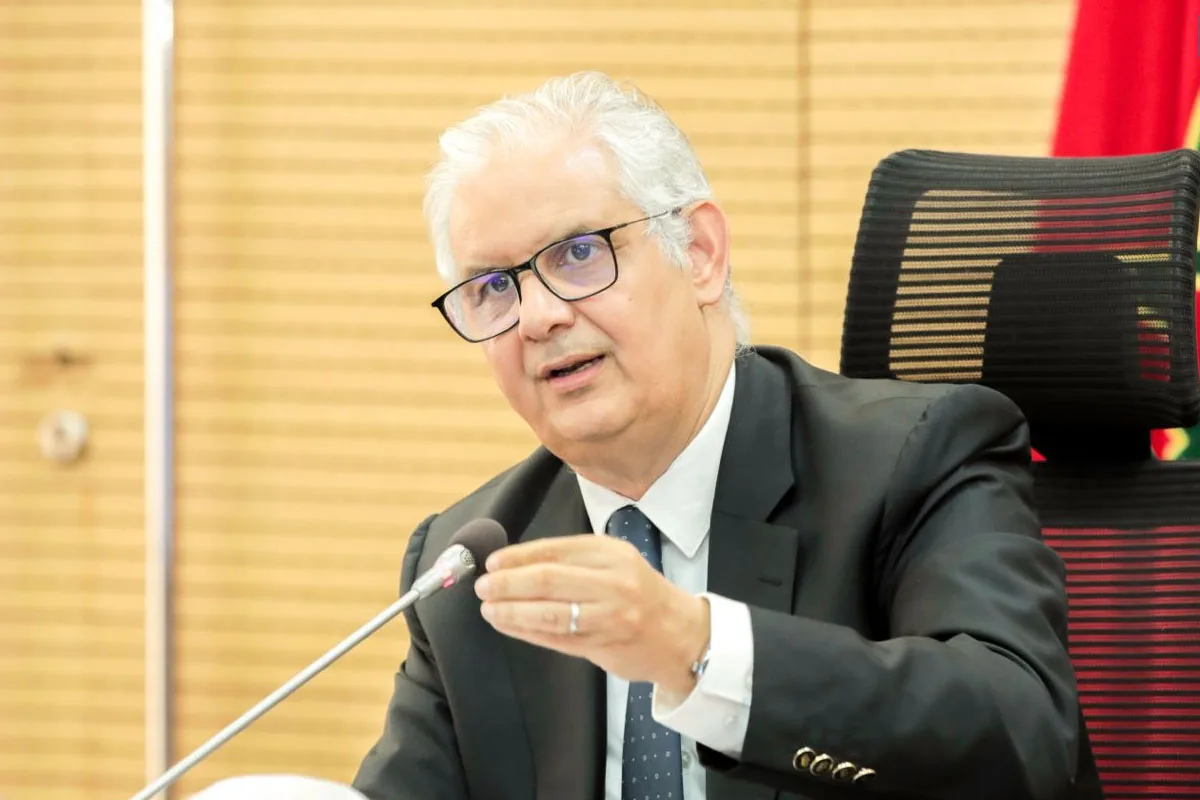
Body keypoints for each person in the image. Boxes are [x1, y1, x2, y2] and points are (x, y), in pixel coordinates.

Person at [352, 72, 1100, 800]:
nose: (539, 317)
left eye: (579, 253)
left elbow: (1024, 738)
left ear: (700, 253)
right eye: (494, 287)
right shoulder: (470, 563)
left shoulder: (916, 459)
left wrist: (694, 646)